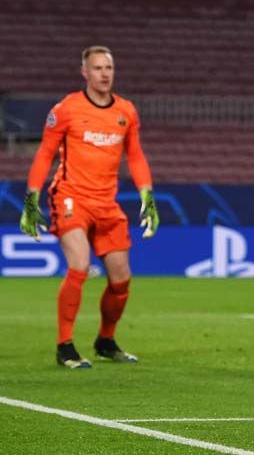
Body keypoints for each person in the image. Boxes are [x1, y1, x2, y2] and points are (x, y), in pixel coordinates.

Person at [19, 46, 159, 369]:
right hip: (70, 197)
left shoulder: (125, 111)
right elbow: (45, 154)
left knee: (121, 279)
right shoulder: (66, 109)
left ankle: (105, 341)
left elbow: (135, 155)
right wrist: (31, 199)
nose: (104, 73)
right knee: (79, 264)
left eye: (108, 67)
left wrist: (147, 196)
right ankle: (65, 346)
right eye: (97, 68)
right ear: (85, 72)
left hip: (106, 202)